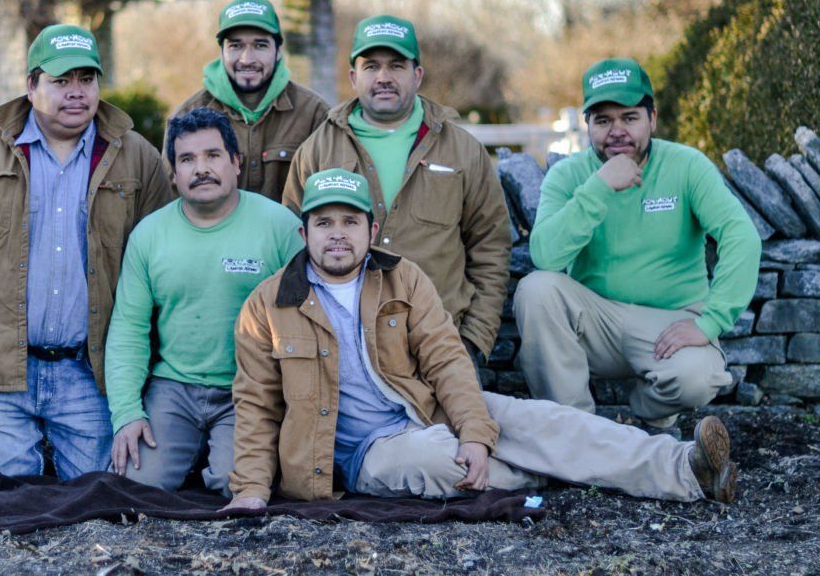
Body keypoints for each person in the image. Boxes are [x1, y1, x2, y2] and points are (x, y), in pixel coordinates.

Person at [226, 169, 738, 508]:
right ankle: (561, 470)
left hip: (427, 408)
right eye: (324, 223)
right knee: (438, 460)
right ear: (304, 234)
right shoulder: (267, 305)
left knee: (546, 421)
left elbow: (447, 360)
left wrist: (473, 431)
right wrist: (250, 489)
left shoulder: (402, 278)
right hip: (366, 452)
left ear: (371, 229)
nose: (337, 233)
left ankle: (687, 468)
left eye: (349, 221)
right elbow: (256, 404)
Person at [0, 24, 171, 483]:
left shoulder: (136, 157)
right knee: (4, 491)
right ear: (31, 85)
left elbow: (163, 264)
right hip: (1, 373)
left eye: (86, 79)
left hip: (89, 375)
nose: (76, 92)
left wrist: (148, 372)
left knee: (105, 492)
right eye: (61, 81)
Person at [514, 57, 762, 433]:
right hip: (594, 322)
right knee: (536, 289)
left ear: (652, 119)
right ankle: (575, 430)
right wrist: (599, 187)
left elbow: (741, 236)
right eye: (603, 121)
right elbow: (546, 256)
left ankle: (645, 413)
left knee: (698, 378)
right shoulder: (568, 175)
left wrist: (710, 322)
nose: (617, 131)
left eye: (629, 118)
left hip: (669, 323)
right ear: (588, 125)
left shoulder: (687, 166)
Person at [283, 14, 510, 363]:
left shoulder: (463, 151)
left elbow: (491, 246)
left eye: (396, 66)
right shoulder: (317, 150)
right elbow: (292, 249)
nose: (384, 77)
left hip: (439, 343)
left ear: (417, 75)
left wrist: (474, 339)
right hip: (339, 349)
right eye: (371, 66)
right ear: (353, 77)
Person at [105, 107, 304, 495]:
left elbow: (310, 321)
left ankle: (216, 461)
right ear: (173, 174)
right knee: (136, 484)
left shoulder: (280, 226)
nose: (201, 169)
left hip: (249, 388)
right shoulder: (149, 235)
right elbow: (129, 330)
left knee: (237, 485)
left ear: (236, 163)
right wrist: (127, 414)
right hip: (173, 387)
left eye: (213, 155)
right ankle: (185, 451)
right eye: (187, 159)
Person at [169, 0, 330, 202]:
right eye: (235, 46)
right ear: (222, 51)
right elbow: (171, 199)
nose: (247, 59)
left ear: (278, 51)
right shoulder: (186, 115)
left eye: (260, 45)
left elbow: (328, 201)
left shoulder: (315, 113)